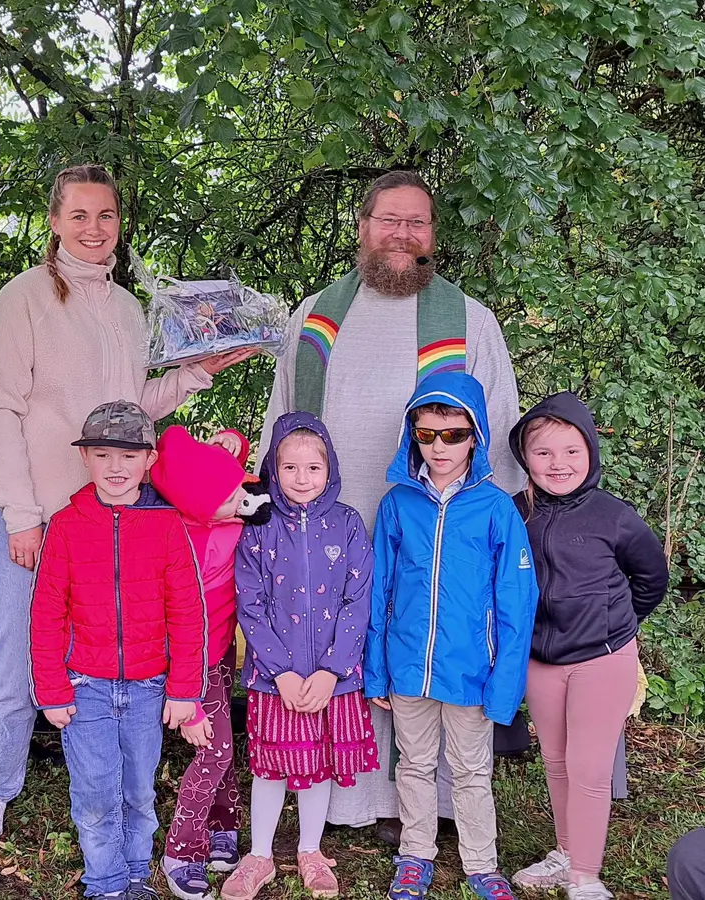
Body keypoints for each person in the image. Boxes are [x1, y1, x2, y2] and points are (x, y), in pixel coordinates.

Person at [0, 164, 250, 847]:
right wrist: (21, 512)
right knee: (16, 658)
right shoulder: (24, 297)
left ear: (120, 225)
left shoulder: (128, 309)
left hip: (110, 520)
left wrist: (193, 375)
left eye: (107, 216)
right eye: (80, 215)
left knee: (107, 661)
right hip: (33, 511)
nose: (94, 229)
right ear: (55, 222)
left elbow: (132, 412)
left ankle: (104, 797)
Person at [257, 170, 527, 838]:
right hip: (329, 520)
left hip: (434, 517)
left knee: (422, 640)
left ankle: (423, 812)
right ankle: (350, 801)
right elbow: (285, 411)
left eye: (417, 223)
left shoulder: (468, 319)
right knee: (347, 637)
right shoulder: (316, 314)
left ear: (432, 234)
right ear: (363, 226)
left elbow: (496, 420)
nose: (403, 235)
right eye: (390, 220)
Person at [364, 372, 538, 900]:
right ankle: (415, 855)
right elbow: (380, 592)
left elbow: (516, 602)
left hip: (471, 671)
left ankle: (481, 864)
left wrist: (505, 683)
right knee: (413, 764)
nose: (440, 446)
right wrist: (377, 669)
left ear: (476, 436)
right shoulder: (397, 505)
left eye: (454, 434)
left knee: (470, 770)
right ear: (412, 435)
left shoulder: (496, 510)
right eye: (426, 434)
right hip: (408, 666)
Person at [29, 400, 208, 900]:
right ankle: (105, 884)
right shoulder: (66, 525)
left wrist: (184, 691)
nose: (115, 467)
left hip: (150, 688)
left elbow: (188, 612)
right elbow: (46, 614)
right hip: (84, 686)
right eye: (103, 454)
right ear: (86, 458)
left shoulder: (167, 523)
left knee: (137, 789)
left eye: (128, 456)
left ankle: (134, 875)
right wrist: (52, 690)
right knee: (94, 794)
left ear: (148, 460)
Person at [505, 393, 670, 900]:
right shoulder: (516, 514)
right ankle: (566, 853)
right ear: (525, 459)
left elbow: (651, 577)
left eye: (571, 451)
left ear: (591, 452)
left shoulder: (613, 516)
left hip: (602, 657)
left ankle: (586, 877)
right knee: (555, 762)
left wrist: (615, 627)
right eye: (544, 453)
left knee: (589, 768)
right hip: (541, 660)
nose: (559, 464)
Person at [218, 413, 378, 900]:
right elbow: (251, 603)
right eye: (290, 468)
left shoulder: (347, 523)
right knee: (270, 767)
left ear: (329, 469)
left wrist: (334, 670)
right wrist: (280, 670)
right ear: (273, 468)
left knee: (317, 765)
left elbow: (359, 598)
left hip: (333, 678)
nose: (302, 478)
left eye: (313, 468)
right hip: (275, 678)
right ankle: (259, 855)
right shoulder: (259, 528)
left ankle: (310, 849)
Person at [149, 425, 259, 899]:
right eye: (231, 497)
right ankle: (182, 847)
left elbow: (212, 464)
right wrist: (187, 698)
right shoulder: (178, 541)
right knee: (213, 750)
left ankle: (223, 826)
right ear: (198, 504)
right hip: (188, 661)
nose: (242, 500)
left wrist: (234, 442)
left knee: (223, 745)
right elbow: (172, 622)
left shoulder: (224, 515)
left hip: (221, 654)